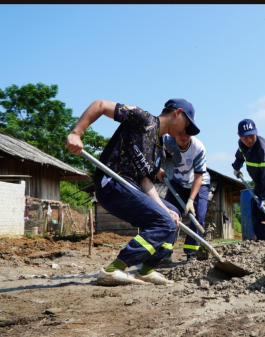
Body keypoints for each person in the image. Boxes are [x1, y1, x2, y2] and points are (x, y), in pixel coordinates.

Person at [66, 98, 199, 286]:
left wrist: (164, 208)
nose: (184, 131)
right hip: (112, 183)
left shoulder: (159, 151)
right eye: (186, 124)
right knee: (165, 221)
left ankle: (146, 270)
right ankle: (112, 270)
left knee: (173, 215)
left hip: (133, 188)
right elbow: (101, 105)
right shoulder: (143, 120)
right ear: (178, 113)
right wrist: (76, 133)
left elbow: (146, 183)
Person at [159, 130, 210, 264]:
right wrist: (157, 167)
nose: (183, 136)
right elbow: (152, 145)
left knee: (197, 216)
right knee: (167, 213)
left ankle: (192, 253)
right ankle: (165, 253)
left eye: (187, 133)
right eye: (180, 132)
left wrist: (191, 200)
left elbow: (198, 176)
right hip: (178, 182)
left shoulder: (198, 148)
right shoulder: (167, 140)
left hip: (199, 183)